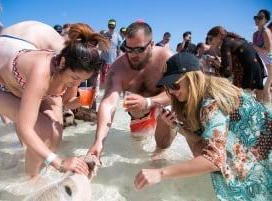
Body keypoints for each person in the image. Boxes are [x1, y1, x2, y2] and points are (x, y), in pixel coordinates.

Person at [134, 52, 272, 201]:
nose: (172, 91)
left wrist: (161, 173)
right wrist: (175, 126)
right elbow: (202, 148)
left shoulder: (211, 103)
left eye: (174, 84)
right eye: (168, 87)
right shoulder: (200, 98)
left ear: (193, 78)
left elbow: (213, 160)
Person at [0, 21, 108, 177]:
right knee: (44, 134)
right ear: (63, 62)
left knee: (55, 137)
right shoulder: (42, 71)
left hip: (35, 91)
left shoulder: (73, 69)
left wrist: (83, 100)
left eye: (82, 80)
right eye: (75, 78)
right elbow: (26, 129)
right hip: (4, 92)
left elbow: (67, 101)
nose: (76, 84)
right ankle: (30, 179)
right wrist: (60, 164)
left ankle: (36, 161)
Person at [87, 22, 173, 160]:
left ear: (151, 44)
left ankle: (159, 152)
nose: (133, 54)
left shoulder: (166, 58)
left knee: (168, 113)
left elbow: (177, 93)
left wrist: (148, 101)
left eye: (139, 49)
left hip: (162, 101)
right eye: (129, 49)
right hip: (138, 111)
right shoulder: (118, 68)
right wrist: (98, 142)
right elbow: (108, 103)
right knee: (137, 142)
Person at [206, 26, 266, 102]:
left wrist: (216, 65)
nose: (209, 42)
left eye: (210, 39)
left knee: (241, 103)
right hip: (258, 71)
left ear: (219, 36)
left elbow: (227, 72)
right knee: (257, 103)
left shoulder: (226, 44)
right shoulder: (234, 40)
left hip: (248, 74)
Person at [252, 9, 272, 103]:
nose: (257, 19)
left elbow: (268, 50)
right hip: (260, 63)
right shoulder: (255, 34)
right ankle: (261, 114)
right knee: (258, 90)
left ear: (266, 20)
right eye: (256, 17)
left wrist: (253, 47)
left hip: (269, 63)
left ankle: (268, 114)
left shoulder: (266, 32)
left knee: (265, 90)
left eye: (260, 17)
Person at [99, 19, 122, 86]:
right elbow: (100, 48)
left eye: (113, 27)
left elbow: (119, 50)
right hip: (104, 63)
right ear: (108, 26)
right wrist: (105, 43)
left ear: (115, 27)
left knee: (112, 83)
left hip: (113, 63)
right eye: (110, 26)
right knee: (103, 83)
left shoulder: (118, 37)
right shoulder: (103, 36)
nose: (111, 28)